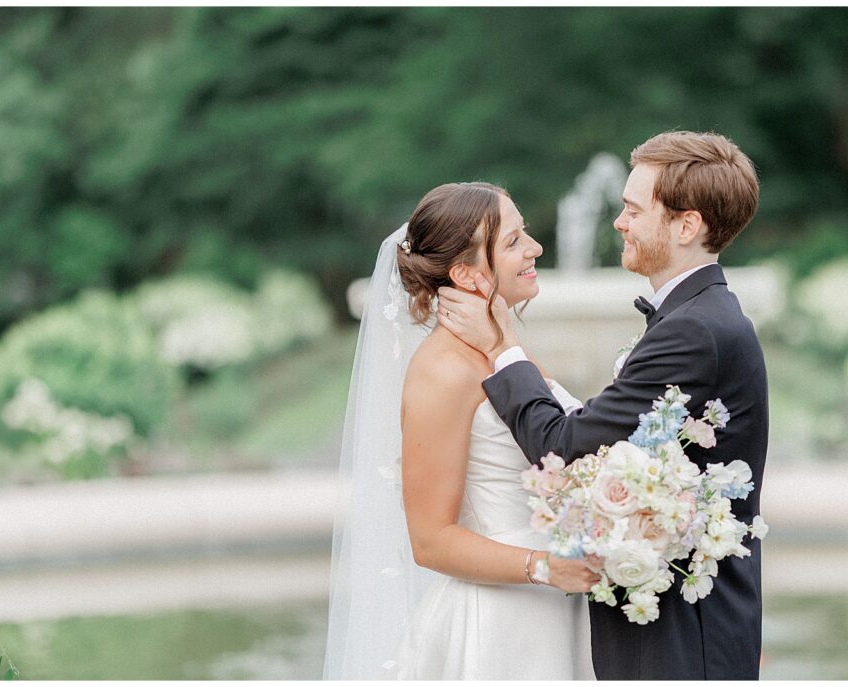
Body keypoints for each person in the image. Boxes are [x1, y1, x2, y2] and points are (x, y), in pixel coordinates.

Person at [437, 131, 768, 680]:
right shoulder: (697, 318)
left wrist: (499, 347)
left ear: (687, 226)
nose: (619, 222)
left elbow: (565, 447)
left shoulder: (694, 330)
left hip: (683, 641)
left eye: (634, 210)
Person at [323, 182, 597, 680]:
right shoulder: (443, 371)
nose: (534, 248)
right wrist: (544, 566)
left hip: (560, 604)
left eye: (526, 234)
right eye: (513, 242)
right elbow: (430, 540)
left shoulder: (503, 350)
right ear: (465, 273)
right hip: (503, 621)